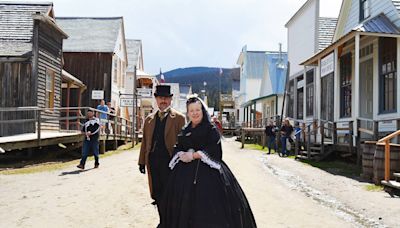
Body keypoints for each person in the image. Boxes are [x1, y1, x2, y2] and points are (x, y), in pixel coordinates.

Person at [160, 96, 257, 228]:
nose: (195, 113)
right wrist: (181, 154)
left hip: (209, 175)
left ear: (202, 111)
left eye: (197, 110)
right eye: (191, 110)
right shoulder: (185, 130)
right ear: (188, 113)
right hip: (184, 176)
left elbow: (214, 149)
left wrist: (194, 155)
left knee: (210, 207)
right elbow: (178, 146)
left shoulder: (210, 129)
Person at [138, 85, 186, 224]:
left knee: (170, 193)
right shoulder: (149, 120)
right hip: (153, 163)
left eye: (166, 98)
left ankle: (168, 222)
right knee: (157, 193)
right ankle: (163, 220)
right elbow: (145, 142)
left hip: (170, 163)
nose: (163, 101)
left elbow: (183, 142)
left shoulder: (179, 118)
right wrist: (142, 162)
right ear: (156, 100)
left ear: (170, 100)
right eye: (160, 98)